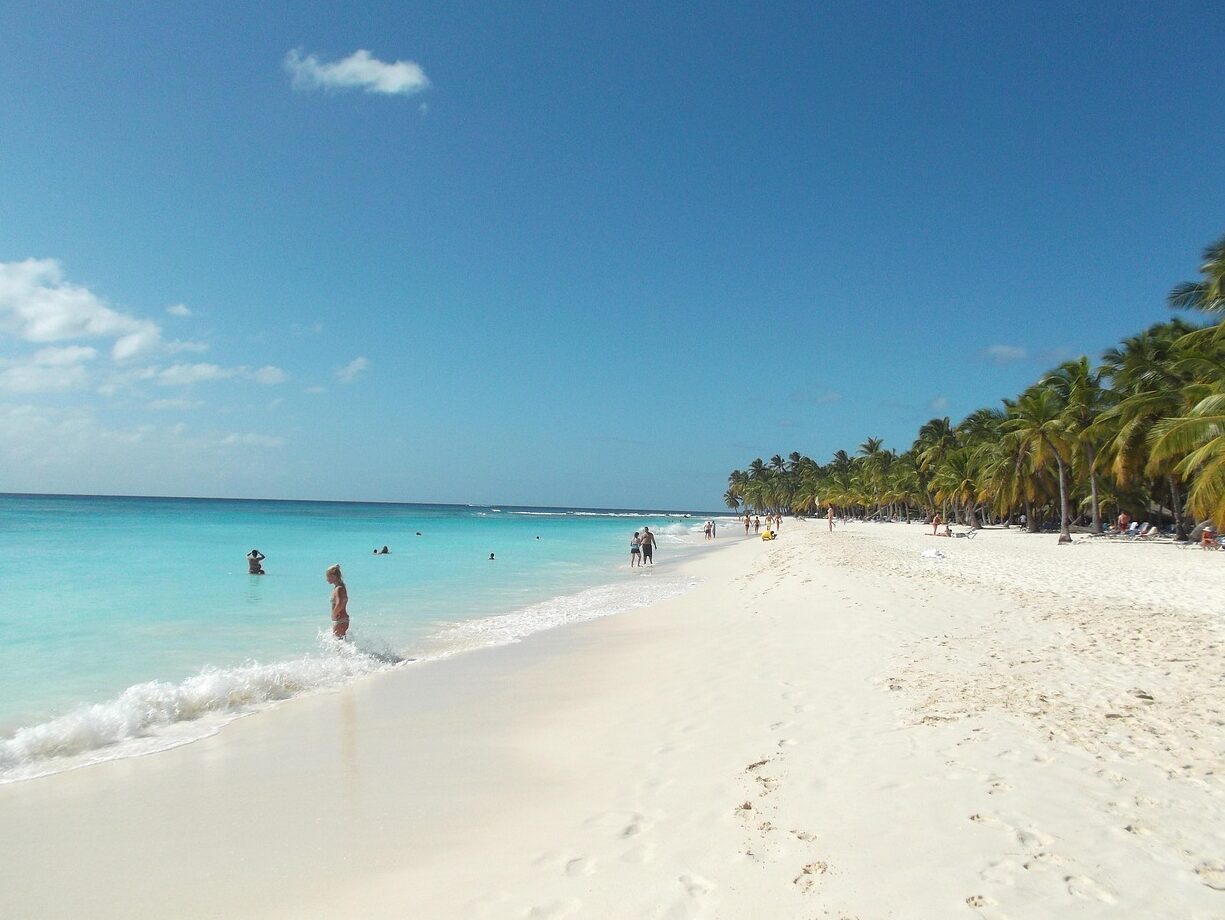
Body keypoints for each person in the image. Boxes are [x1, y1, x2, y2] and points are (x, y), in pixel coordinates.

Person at [326, 564, 348, 639]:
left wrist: (333, 615)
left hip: (340, 619)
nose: (326, 579)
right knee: (341, 643)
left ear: (333, 576)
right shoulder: (341, 587)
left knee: (339, 645)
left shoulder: (339, 589)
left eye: (328, 576)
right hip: (342, 619)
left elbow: (339, 603)